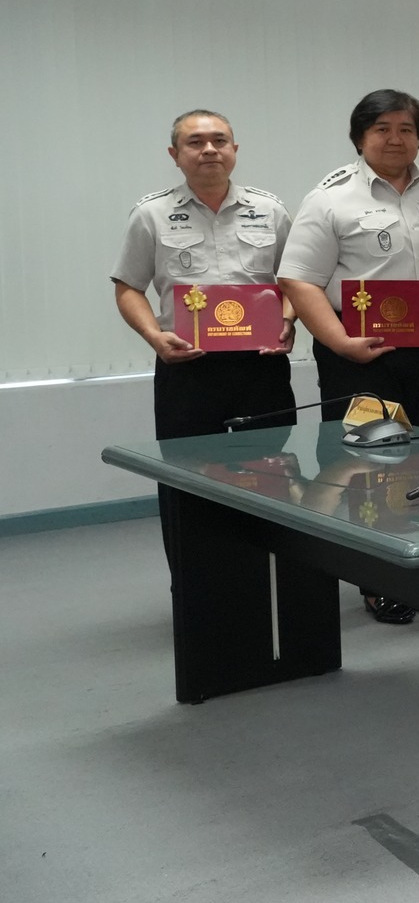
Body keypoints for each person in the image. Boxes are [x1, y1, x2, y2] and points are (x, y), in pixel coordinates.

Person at [278, 89, 419, 626]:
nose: (395, 139)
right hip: (358, 352)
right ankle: (381, 580)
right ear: (359, 137)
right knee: (368, 465)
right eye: (382, 128)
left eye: (406, 129)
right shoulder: (330, 197)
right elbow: (299, 279)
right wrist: (339, 342)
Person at [112, 109, 296, 574]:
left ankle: (262, 577)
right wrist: (154, 336)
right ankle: (195, 585)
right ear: (174, 155)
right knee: (186, 476)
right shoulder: (151, 214)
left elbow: (296, 281)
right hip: (187, 366)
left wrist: (289, 320)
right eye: (195, 142)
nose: (209, 149)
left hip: (261, 365)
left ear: (235, 150)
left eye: (220, 140)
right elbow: (128, 286)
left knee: (271, 471)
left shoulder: (270, 210)